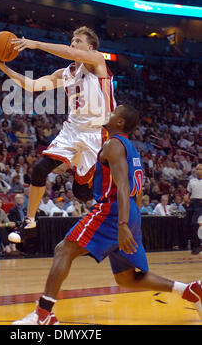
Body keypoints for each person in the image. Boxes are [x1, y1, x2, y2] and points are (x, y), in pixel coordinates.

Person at [13, 105, 202, 325]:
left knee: (64, 250)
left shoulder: (113, 144)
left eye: (113, 113)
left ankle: (43, 315)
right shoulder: (130, 148)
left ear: (120, 122)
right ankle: (189, 290)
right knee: (126, 277)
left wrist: (122, 223)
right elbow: (137, 190)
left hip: (113, 210)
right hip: (130, 210)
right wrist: (131, 219)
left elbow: (122, 186)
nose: (108, 114)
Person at [0, 26, 116, 240]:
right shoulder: (64, 73)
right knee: (39, 170)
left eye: (78, 41)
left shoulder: (96, 62)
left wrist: (35, 43)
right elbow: (31, 85)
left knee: (81, 193)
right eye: (72, 40)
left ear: (90, 47)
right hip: (73, 129)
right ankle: (29, 223)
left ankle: (75, 172)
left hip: (97, 133)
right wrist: (2, 66)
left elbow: (73, 54)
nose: (73, 44)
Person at [185, 164, 202, 254]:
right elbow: (188, 193)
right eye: (197, 169)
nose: (198, 171)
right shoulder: (192, 181)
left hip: (200, 204)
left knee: (195, 223)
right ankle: (194, 245)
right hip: (192, 204)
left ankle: (198, 245)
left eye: (200, 169)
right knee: (189, 224)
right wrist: (186, 199)